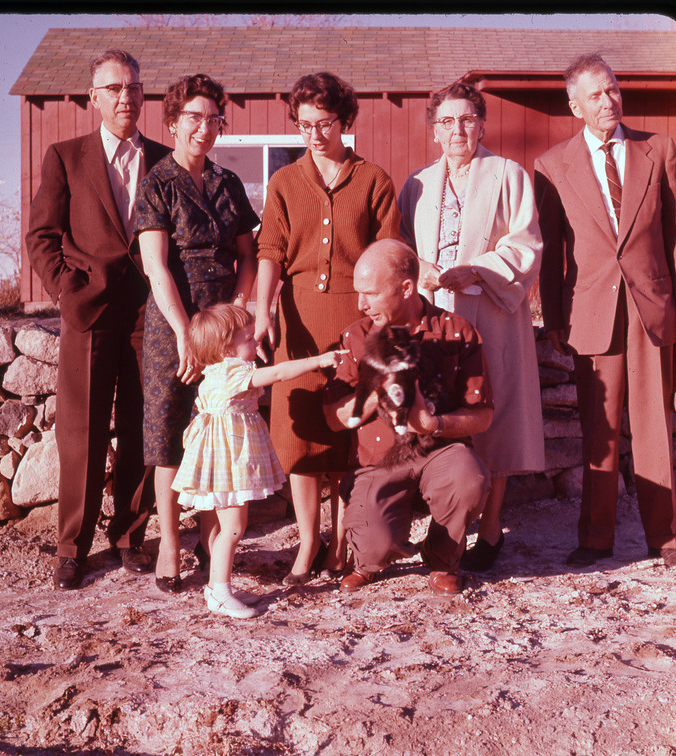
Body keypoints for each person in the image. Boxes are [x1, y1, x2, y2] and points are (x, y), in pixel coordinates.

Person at [534, 54, 676, 568]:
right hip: (590, 314)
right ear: (575, 105)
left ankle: (665, 541)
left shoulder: (658, 149)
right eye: (596, 95)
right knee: (598, 432)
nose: (609, 101)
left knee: (654, 426)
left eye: (613, 89)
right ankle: (596, 539)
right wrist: (554, 318)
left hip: (652, 307)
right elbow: (552, 251)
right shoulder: (552, 166)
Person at [26, 49, 171, 590]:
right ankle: (72, 546)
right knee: (82, 432)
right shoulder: (66, 156)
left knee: (141, 425)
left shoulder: (163, 158)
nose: (125, 97)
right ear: (94, 98)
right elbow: (41, 235)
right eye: (113, 89)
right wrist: (65, 288)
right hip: (88, 309)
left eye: (133, 87)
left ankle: (130, 535)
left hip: (148, 312)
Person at [254, 72, 401, 584]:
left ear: (346, 121)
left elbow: (387, 254)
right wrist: (261, 310)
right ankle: (307, 543)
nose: (315, 134)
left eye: (325, 123)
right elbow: (269, 252)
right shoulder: (283, 182)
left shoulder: (374, 179)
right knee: (300, 438)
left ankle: (341, 544)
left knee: (345, 434)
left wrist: (380, 322)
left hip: (353, 317)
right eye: (304, 124)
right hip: (297, 320)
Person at [399, 81, 545, 572]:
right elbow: (400, 247)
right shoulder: (416, 184)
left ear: (481, 124)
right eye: (446, 121)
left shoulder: (508, 174)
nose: (456, 129)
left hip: (493, 312)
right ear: (434, 129)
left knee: (493, 411)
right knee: (448, 410)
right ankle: (448, 525)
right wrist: (418, 269)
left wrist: (478, 268)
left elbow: (525, 244)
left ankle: (493, 524)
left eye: (466, 119)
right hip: (437, 314)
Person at [134, 74, 260, 593]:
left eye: (214, 119)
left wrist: (236, 311)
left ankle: (213, 547)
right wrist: (186, 333)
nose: (205, 128)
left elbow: (248, 257)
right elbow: (156, 267)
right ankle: (168, 544)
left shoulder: (229, 184)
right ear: (172, 122)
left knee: (221, 432)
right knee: (167, 437)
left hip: (225, 328)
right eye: (194, 118)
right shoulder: (157, 182)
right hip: (173, 325)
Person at [323, 239, 494, 595]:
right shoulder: (355, 337)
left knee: (468, 479)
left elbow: (483, 416)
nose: (361, 304)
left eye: (370, 293)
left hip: (440, 453)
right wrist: (375, 392)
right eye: (359, 293)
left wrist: (436, 424)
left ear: (406, 288)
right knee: (375, 546)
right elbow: (334, 418)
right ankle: (368, 561)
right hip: (379, 462)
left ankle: (443, 557)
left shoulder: (456, 331)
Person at [172, 303, 346, 618]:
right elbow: (278, 373)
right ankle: (220, 593)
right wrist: (318, 361)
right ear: (226, 347)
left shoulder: (220, 371)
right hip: (228, 463)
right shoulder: (231, 371)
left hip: (228, 459)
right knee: (234, 528)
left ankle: (217, 586)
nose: (256, 343)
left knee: (232, 526)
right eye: (249, 338)